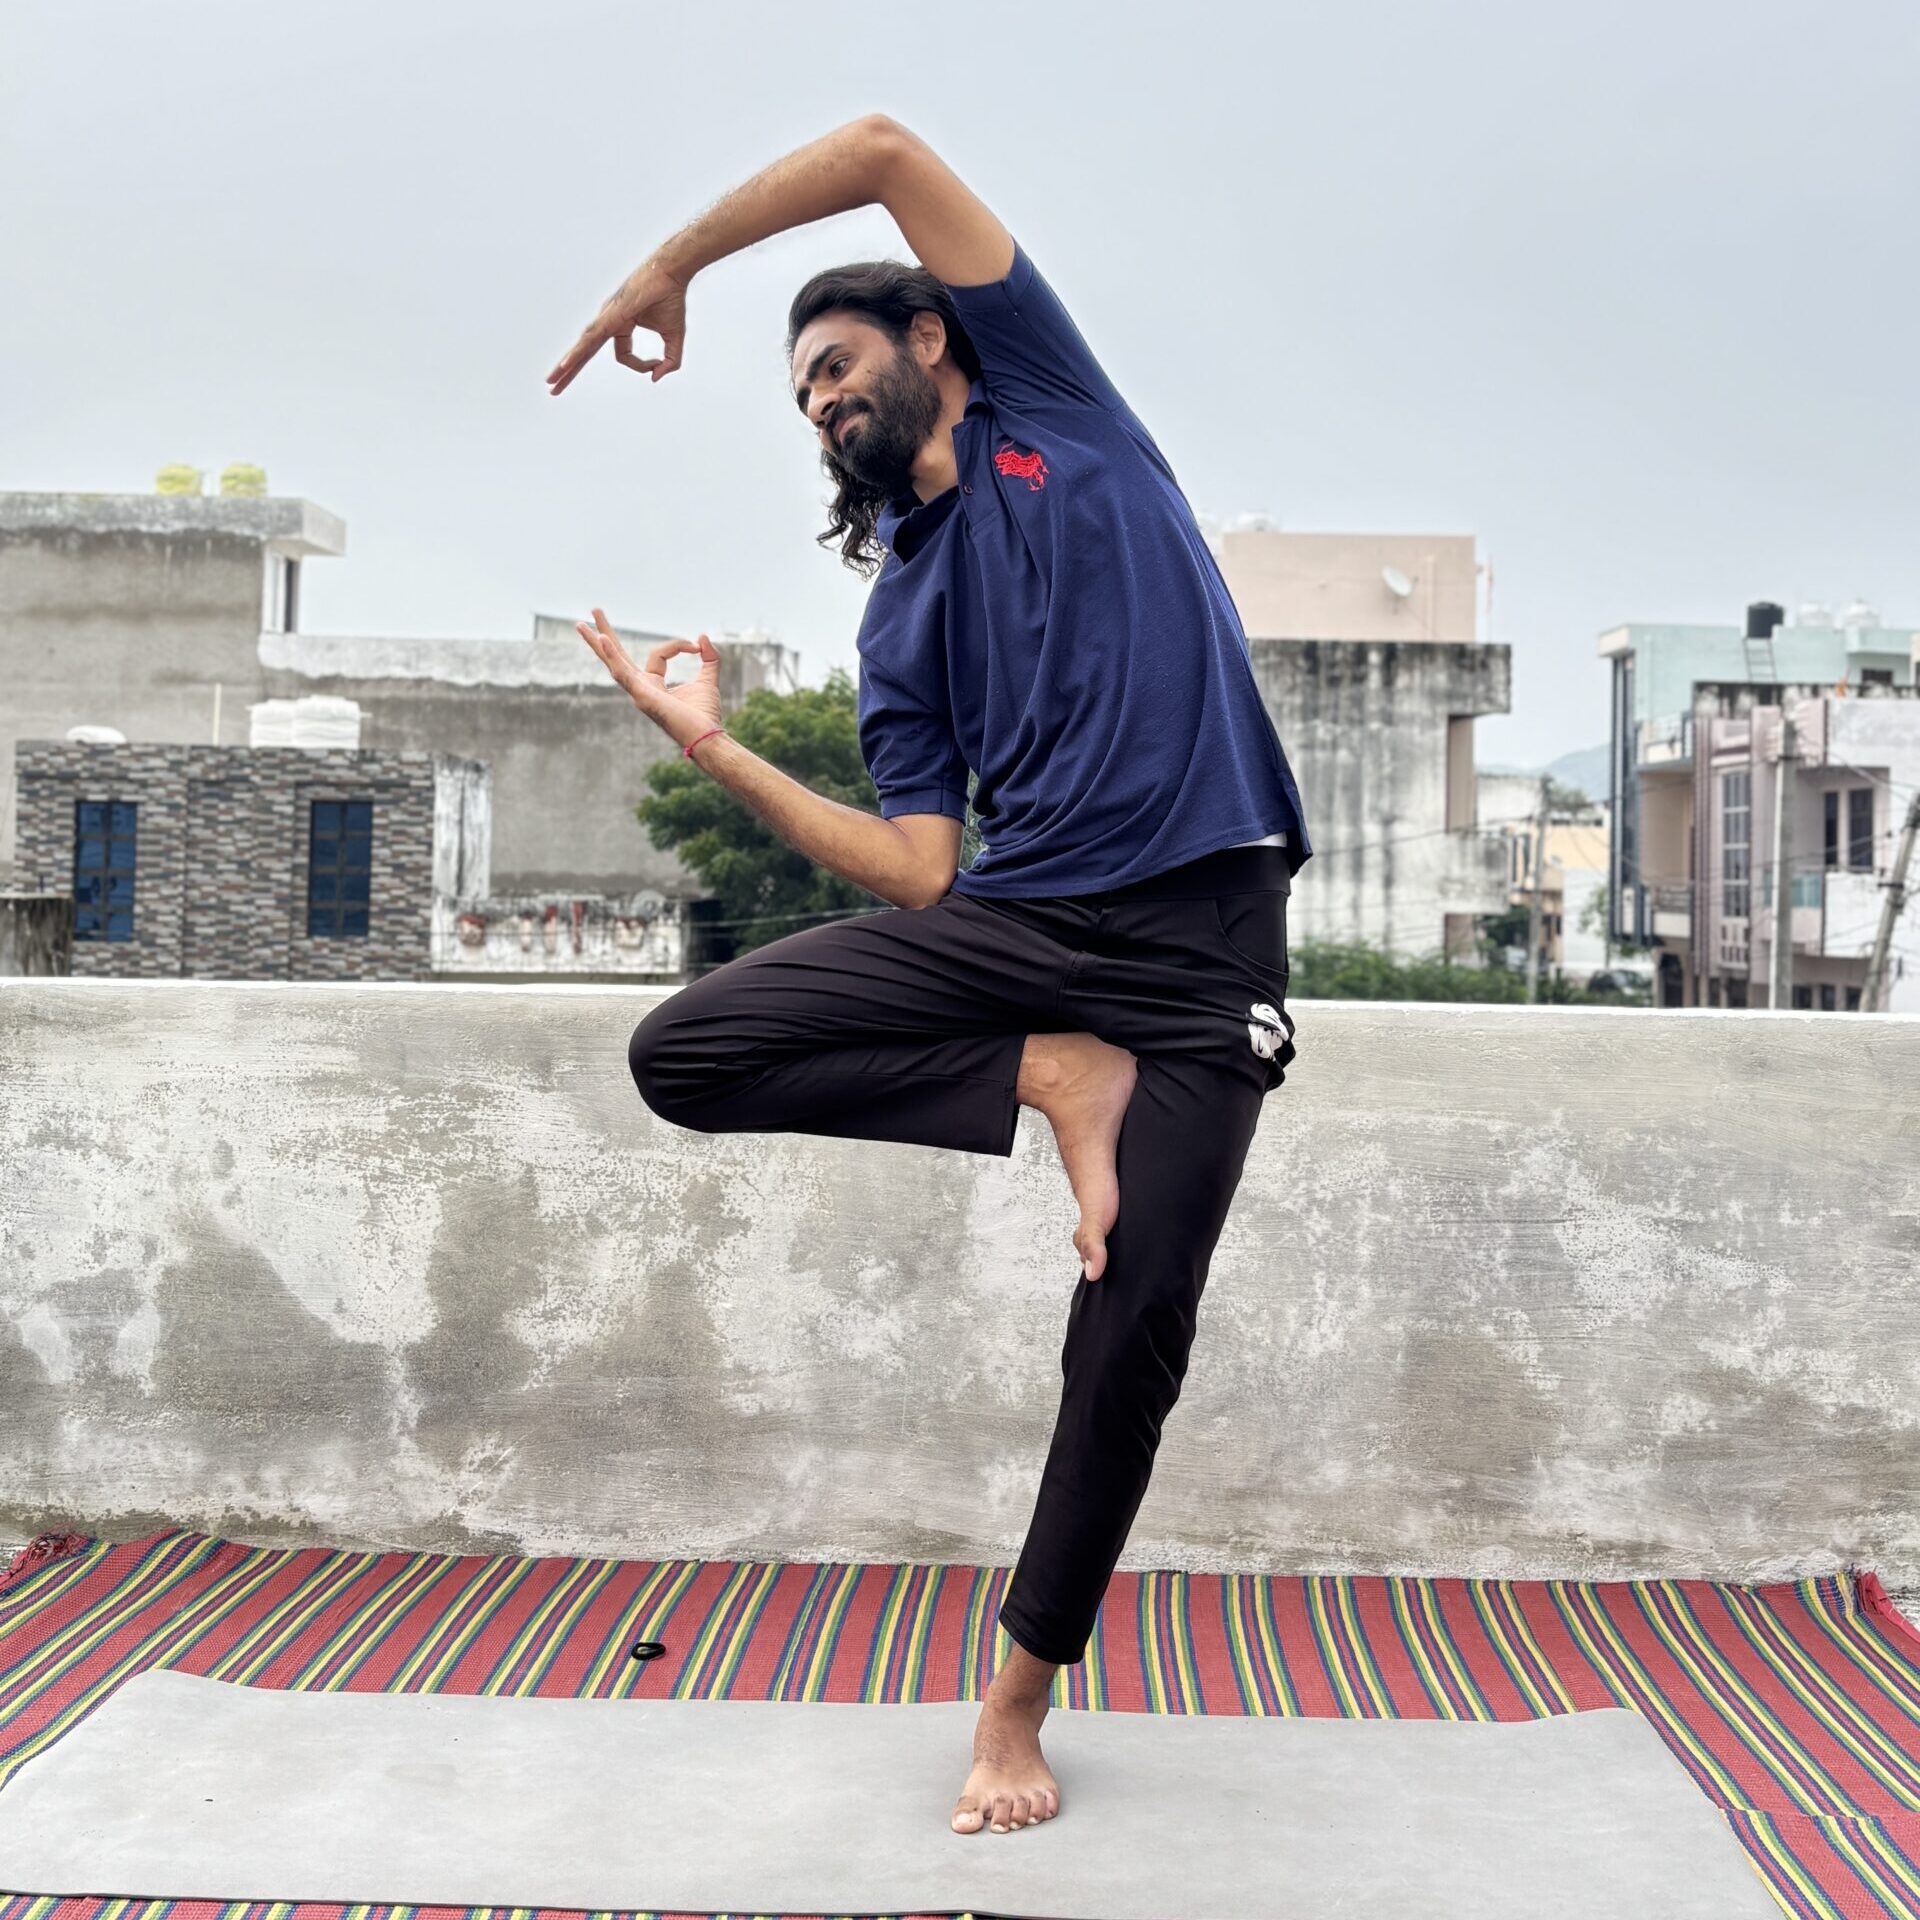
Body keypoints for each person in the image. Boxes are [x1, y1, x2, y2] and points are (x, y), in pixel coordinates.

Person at [547, 112, 1311, 1840]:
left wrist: (669, 265)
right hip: (1021, 930)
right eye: (799, 398)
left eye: (833, 366)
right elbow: (915, 871)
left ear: (932, 338)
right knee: (685, 1055)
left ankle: (1017, 1701)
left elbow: (885, 147)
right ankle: (1052, 1075)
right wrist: (712, 745)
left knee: (1132, 1330)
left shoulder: (1058, 410)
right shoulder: (901, 605)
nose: (820, 402)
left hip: (1201, 942)